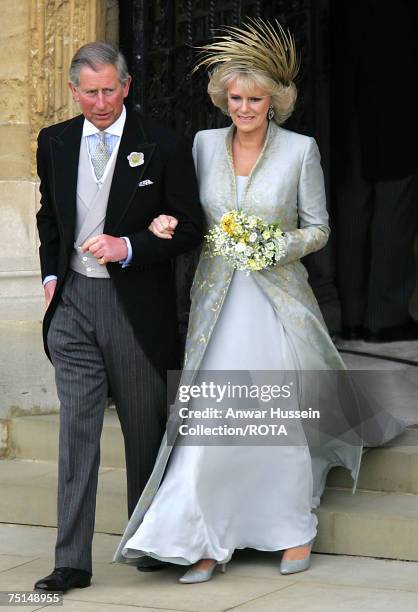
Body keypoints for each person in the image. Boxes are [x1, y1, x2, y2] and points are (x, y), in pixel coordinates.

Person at [113, 20, 404, 584]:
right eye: (236, 98)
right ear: (224, 99)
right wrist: (168, 220)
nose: (244, 108)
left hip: (276, 306)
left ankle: (292, 529)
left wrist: (274, 244)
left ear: (275, 102)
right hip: (216, 307)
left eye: (255, 99)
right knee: (209, 428)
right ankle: (203, 536)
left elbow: (318, 228)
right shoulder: (200, 146)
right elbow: (188, 214)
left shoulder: (300, 151)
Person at [34, 42, 203, 593]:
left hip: (135, 306)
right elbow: (49, 217)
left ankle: (148, 538)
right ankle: (71, 561)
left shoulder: (164, 143)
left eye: (110, 89)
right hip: (74, 303)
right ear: (73, 90)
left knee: (143, 427)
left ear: (126, 86)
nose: (101, 101)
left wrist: (129, 246)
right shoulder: (54, 141)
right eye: (90, 91)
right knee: (77, 431)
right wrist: (50, 278)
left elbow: (189, 223)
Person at [333, 0, 418, 342]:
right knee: (395, 201)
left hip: (349, 99)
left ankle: (352, 316)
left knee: (354, 202)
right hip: (395, 100)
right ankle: (384, 317)